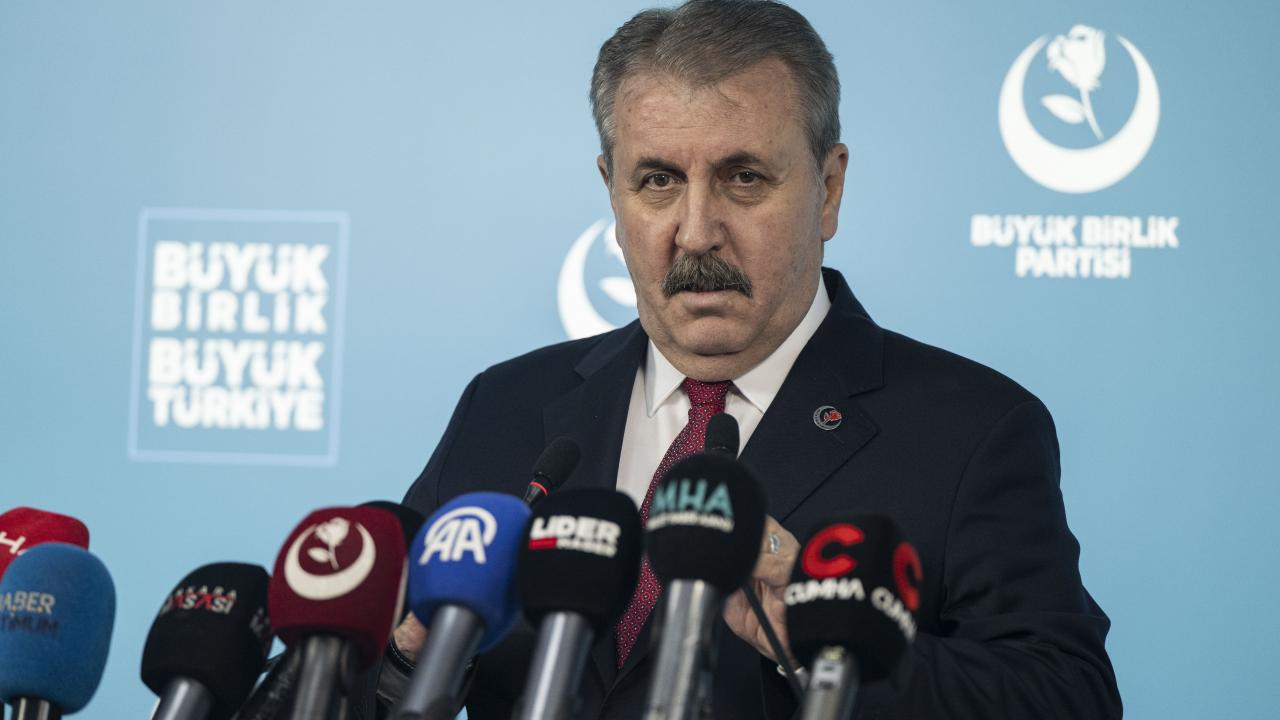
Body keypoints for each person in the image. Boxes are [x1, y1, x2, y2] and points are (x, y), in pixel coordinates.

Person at [366, 1, 1122, 718]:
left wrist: (825, 643)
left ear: (828, 189)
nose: (697, 231)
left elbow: (1065, 697)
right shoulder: (505, 405)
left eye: (744, 178)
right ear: (612, 192)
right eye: (658, 181)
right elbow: (368, 682)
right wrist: (404, 661)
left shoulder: (971, 429)